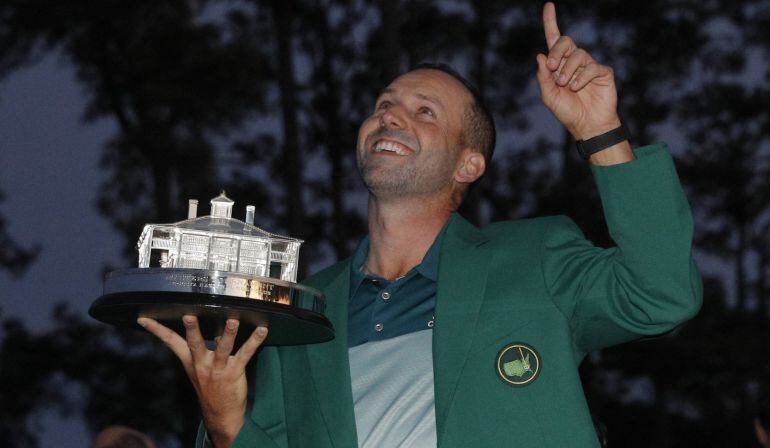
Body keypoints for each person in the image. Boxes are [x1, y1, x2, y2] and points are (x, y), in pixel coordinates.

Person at [138, 3, 702, 447]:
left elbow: (661, 294)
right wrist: (226, 421)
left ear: (468, 164)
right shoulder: (303, 313)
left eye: (425, 111)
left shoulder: (535, 256)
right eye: (385, 103)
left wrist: (600, 132)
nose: (391, 114)